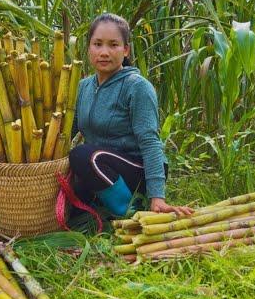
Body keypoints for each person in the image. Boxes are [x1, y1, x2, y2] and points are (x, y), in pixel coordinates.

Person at [69, 13, 194, 220]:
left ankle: (131, 211)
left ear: (125, 49)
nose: (104, 52)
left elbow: (150, 141)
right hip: (102, 169)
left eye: (113, 45)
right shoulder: (83, 87)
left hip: (136, 168)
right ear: (89, 48)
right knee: (72, 207)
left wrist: (157, 196)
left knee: (83, 155)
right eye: (97, 44)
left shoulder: (136, 86)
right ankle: (104, 206)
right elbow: (66, 131)